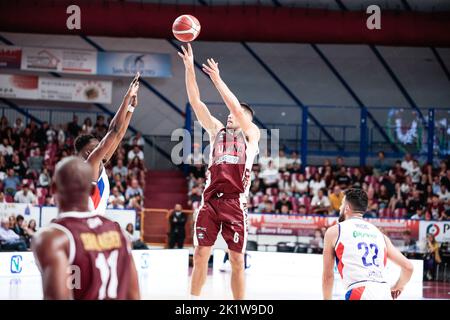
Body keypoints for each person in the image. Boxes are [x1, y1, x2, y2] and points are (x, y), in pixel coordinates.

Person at [179, 43, 260, 300]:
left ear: (246, 120)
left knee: (236, 259)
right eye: (228, 115)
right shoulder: (216, 132)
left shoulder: (251, 136)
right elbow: (195, 101)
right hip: (210, 202)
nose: (229, 117)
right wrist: (189, 68)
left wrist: (217, 80)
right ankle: (193, 302)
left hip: (235, 203)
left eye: (235, 116)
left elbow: (236, 109)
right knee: (201, 254)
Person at [31, 156, 140, 300]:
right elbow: (134, 295)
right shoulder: (119, 233)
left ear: (53, 188)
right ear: (93, 190)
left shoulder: (54, 238)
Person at [322, 188, 414, 300]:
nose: (340, 208)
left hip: (360, 290)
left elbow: (328, 276)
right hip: (384, 291)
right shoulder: (380, 234)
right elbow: (408, 267)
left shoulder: (335, 231)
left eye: (342, 204)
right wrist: (397, 286)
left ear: (347, 208)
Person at [74, 73, 140, 215]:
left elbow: (119, 135)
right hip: (87, 226)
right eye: (97, 146)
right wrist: (126, 97)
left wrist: (131, 109)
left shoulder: (98, 164)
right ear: (87, 152)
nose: (103, 147)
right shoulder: (90, 163)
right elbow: (114, 131)